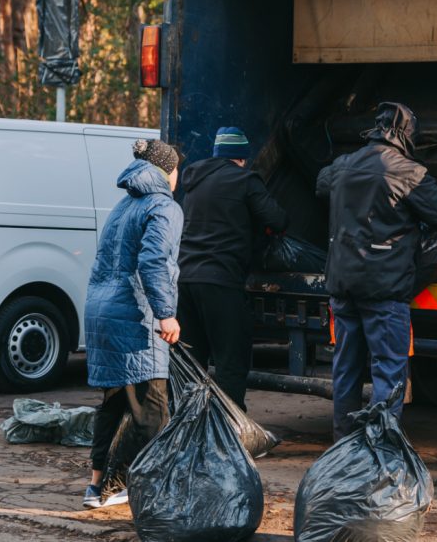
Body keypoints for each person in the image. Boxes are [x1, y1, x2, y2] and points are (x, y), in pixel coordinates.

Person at [317, 102, 437, 441]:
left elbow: (321, 183)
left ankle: (344, 444)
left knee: (345, 370)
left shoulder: (342, 166)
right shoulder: (408, 172)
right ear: (407, 136)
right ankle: (381, 448)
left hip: (342, 285)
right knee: (388, 371)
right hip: (384, 289)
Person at [82, 139, 184, 509]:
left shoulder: (124, 206)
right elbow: (155, 262)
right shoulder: (164, 207)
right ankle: (119, 484)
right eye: (176, 170)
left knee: (113, 403)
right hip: (134, 316)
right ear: (167, 171)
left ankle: (95, 487)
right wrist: (166, 313)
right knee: (152, 408)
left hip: (101, 312)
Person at [177, 127, 287, 411]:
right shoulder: (245, 180)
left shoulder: (193, 180)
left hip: (185, 281)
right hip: (220, 282)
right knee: (230, 363)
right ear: (240, 157)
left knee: (192, 367)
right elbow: (277, 219)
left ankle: (187, 431)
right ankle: (229, 434)